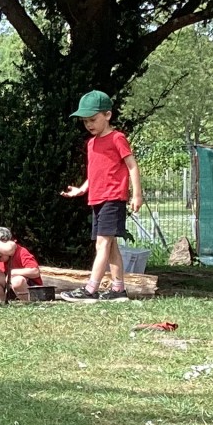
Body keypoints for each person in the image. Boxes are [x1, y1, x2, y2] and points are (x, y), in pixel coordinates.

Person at [60, 90, 143, 301]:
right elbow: (95, 171)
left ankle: (90, 289)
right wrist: (82, 188)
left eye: (93, 119)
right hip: (97, 198)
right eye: (85, 121)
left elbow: (132, 165)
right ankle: (118, 290)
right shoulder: (91, 143)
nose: (89, 125)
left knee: (102, 244)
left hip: (113, 198)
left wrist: (137, 195)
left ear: (107, 115)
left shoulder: (117, 138)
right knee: (111, 244)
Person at [0, 227, 44, 302]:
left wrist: (13, 272)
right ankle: (2, 302)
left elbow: (35, 272)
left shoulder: (21, 252)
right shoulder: (0, 260)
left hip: (30, 289)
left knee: (17, 280)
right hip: (11, 289)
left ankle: (29, 303)